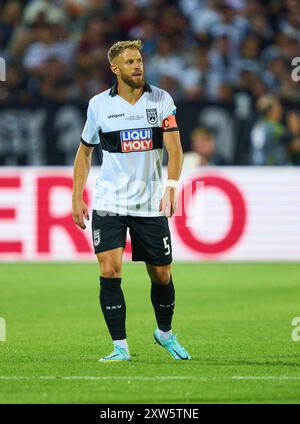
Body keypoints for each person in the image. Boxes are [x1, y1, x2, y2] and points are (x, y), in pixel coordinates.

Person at [72, 39, 191, 362]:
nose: (137, 66)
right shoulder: (99, 105)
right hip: (110, 202)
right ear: (115, 69)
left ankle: (164, 333)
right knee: (110, 271)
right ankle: (120, 347)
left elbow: (175, 149)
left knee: (162, 274)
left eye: (139, 60)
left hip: (150, 203)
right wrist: (76, 195)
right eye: (130, 62)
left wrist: (171, 185)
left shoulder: (161, 100)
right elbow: (84, 152)